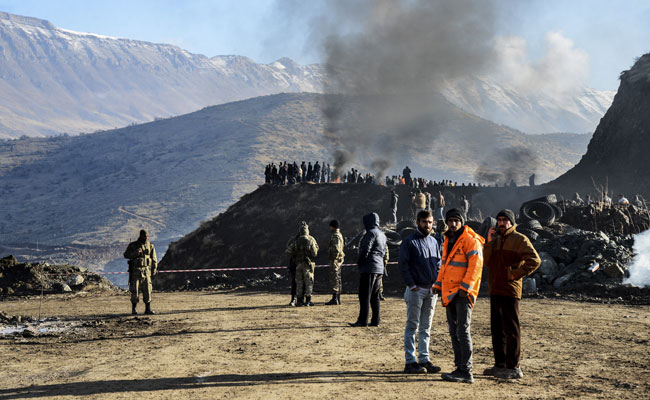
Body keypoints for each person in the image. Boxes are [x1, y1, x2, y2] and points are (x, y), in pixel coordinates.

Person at [483, 209, 541, 380]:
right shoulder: (496, 240)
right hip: (495, 289)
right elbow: (486, 262)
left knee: (511, 330)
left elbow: (535, 261)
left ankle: (513, 366)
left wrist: (514, 274)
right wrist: (489, 241)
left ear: (511, 222)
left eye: (505, 220)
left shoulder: (519, 239)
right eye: (499, 220)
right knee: (497, 329)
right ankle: (499, 365)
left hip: (510, 290)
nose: (501, 223)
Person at [433, 209, 484, 384]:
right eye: (450, 221)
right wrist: (438, 284)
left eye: (456, 220)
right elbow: (445, 265)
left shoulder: (470, 240)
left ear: (462, 222)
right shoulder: (449, 239)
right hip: (450, 292)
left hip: (462, 293)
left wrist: (466, 288)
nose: (453, 224)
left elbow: (476, 266)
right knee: (454, 331)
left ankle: (466, 371)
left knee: (462, 331)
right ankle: (459, 367)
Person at [398, 210, 442, 374]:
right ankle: (410, 361)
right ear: (418, 222)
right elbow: (403, 265)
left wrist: (437, 283)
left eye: (430, 222)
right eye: (424, 222)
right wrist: (411, 284)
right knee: (412, 326)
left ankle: (424, 359)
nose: (427, 225)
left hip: (431, 291)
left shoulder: (434, 241)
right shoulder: (409, 242)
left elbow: (438, 264)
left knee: (426, 327)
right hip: (416, 290)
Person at [350, 213, 386, 327]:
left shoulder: (370, 233)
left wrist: (360, 262)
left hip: (369, 267)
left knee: (364, 295)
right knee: (375, 296)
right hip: (379, 267)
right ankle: (376, 320)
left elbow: (365, 250)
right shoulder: (382, 234)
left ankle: (362, 320)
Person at [124, 229, 158, 315]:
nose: (146, 238)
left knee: (147, 290)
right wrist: (135, 253)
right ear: (141, 236)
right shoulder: (133, 245)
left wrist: (154, 268)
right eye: (144, 237)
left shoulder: (150, 246)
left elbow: (154, 258)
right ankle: (134, 309)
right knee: (135, 290)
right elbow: (126, 255)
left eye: (147, 237)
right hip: (135, 271)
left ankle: (148, 309)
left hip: (146, 272)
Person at [287, 221, 319, 306]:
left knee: (299, 283)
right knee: (309, 282)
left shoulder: (296, 240)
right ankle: (308, 301)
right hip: (308, 264)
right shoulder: (311, 239)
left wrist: (295, 256)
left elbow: (288, 252)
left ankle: (299, 301)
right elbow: (314, 253)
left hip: (298, 264)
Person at [326, 219, 345, 305]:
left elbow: (336, 249)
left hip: (335, 260)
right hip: (338, 260)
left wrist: (332, 256)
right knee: (337, 279)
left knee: (334, 279)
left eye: (330, 226)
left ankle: (335, 298)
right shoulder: (339, 235)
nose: (329, 228)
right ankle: (337, 298)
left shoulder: (335, 236)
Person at [285, 233, 300, 306]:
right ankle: (301, 300)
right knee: (301, 283)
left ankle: (294, 299)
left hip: (295, 264)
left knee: (295, 282)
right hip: (299, 264)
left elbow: (288, 251)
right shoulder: (309, 240)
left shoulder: (294, 241)